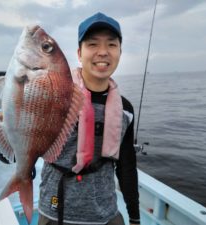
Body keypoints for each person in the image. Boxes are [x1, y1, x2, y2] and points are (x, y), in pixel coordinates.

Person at [37, 12, 140, 225]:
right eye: (92, 44)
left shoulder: (126, 109)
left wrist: (135, 216)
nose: (103, 52)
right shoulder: (54, 98)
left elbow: (126, 166)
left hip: (105, 211)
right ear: (79, 52)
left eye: (111, 45)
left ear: (120, 51)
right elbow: (17, 154)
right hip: (55, 208)